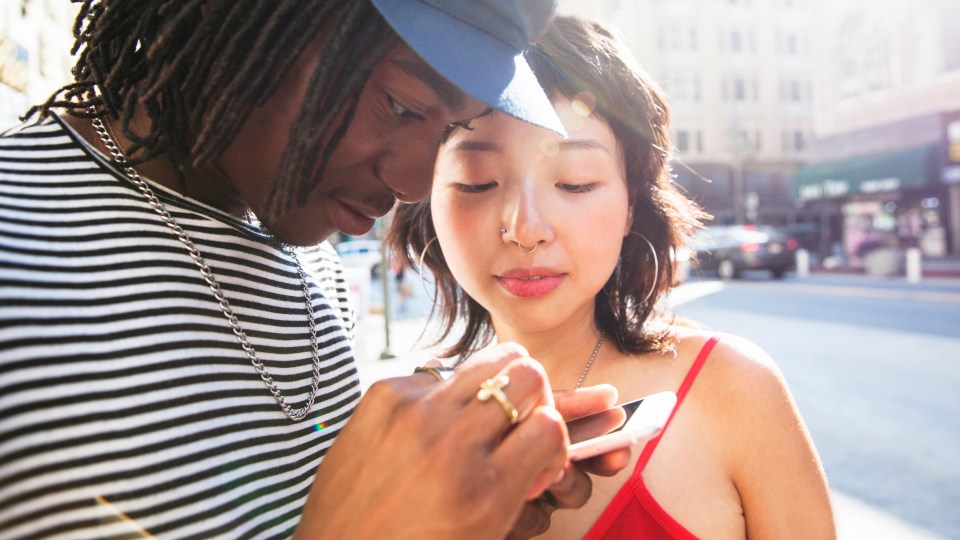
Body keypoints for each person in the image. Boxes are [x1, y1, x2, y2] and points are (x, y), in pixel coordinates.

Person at [0, 1, 628, 538]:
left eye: (449, 129)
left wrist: (446, 510)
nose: (412, 182)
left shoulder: (315, 268)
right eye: (402, 106)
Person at [389, 16, 836, 538]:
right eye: (478, 183)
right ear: (428, 205)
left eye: (575, 183)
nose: (526, 230)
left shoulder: (734, 389)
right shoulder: (411, 430)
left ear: (631, 205)